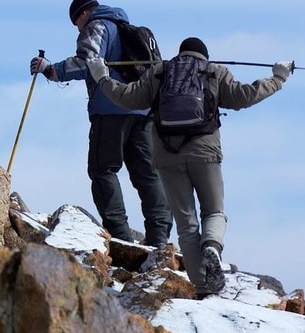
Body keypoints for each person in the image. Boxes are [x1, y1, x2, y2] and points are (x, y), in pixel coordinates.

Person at [87, 37, 293, 297]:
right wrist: (278, 79)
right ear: (204, 56)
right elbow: (245, 96)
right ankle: (212, 247)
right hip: (205, 152)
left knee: (186, 223)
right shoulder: (214, 72)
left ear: (181, 53)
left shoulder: (160, 72)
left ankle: (202, 285)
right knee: (214, 211)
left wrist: (102, 77)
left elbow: (127, 98)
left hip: (167, 156)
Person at [28, 0, 171, 246]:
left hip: (110, 110)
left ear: (83, 14)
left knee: (102, 169)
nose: (78, 29)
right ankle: (159, 237)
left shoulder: (97, 26)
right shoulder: (131, 29)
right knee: (147, 174)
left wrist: (51, 70)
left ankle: (120, 235)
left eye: (76, 23)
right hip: (142, 111)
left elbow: (88, 62)